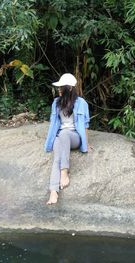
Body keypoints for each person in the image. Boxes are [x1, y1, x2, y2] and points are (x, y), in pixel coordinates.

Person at [44, 73, 90, 205]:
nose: (58, 89)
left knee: (64, 134)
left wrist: (86, 142)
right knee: (57, 157)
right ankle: (53, 191)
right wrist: (50, 140)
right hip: (61, 136)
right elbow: (54, 123)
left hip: (74, 137)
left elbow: (86, 125)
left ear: (69, 88)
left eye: (61, 87)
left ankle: (64, 172)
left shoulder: (82, 103)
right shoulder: (56, 103)